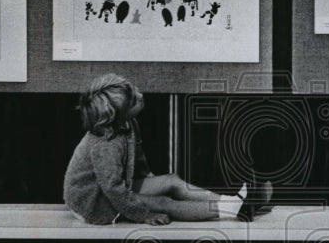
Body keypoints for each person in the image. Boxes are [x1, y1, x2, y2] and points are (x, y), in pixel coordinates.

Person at [63, 74, 271, 225]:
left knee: (171, 181)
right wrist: (144, 214)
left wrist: (153, 181)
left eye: (134, 89)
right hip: (94, 201)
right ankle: (234, 210)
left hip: (113, 186)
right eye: (134, 99)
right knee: (163, 203)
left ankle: (235, 201)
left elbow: (137, 159)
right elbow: (112, 189)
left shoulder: (127, 123)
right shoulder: (105, 143)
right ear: (119, 115)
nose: (141, 95)